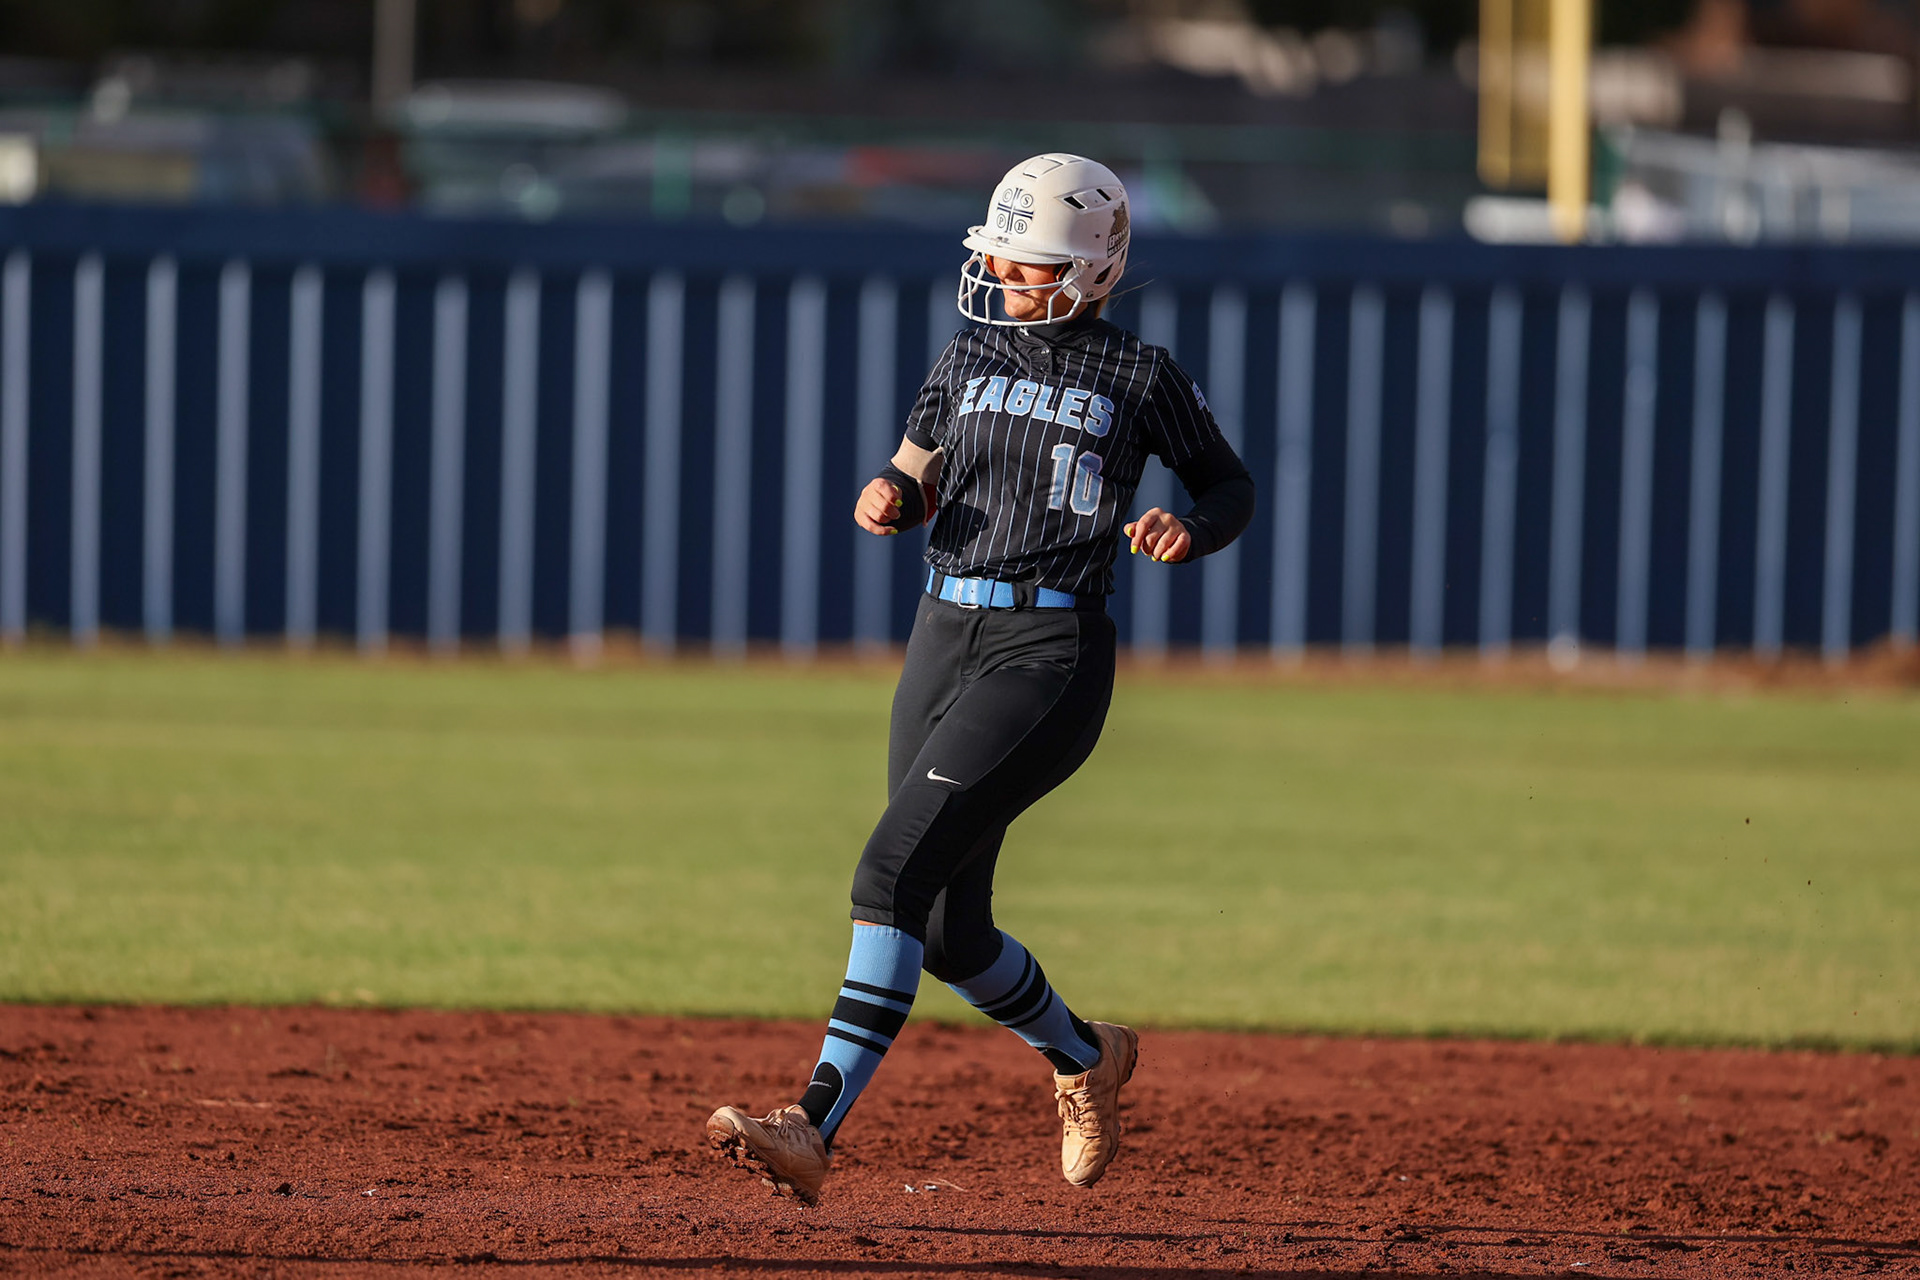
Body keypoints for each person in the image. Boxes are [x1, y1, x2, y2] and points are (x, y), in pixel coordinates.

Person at [706, 153, 1256, 1205]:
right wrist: (884, 496)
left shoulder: (1138, 374)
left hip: (1047, 653)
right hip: (942, 630)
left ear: (1093, 268)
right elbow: (910, 476)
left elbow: (1228, 482)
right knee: (954, 932)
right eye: (999, 250)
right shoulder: (964, 356)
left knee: (887, 879)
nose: (1004, 267)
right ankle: (1086, 1055)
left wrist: (1190, 525)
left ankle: (811, 1124)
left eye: (1032, 256)